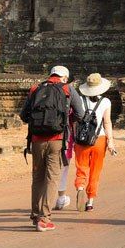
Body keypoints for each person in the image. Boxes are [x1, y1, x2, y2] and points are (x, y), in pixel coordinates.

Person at [20, 64, 85, 232]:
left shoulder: (35, 88)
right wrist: (65, 121)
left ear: (50, 75)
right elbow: (80, 113)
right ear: (64, 77)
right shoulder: (67, 89)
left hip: (36, 141)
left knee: (37, 178)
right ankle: (44, 218)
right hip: (57, 139)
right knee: (52, 178)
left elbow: (24, 115)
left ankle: (35, 215)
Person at [74, 72, 116, 212]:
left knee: (81, 167)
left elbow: (75, 120)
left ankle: (80, 187)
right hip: (100, 139)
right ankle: (90, 201)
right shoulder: (105, 102)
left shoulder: (79, 100)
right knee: (95, 170)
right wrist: (111, 142)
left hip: (82, 139)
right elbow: (107, 122)